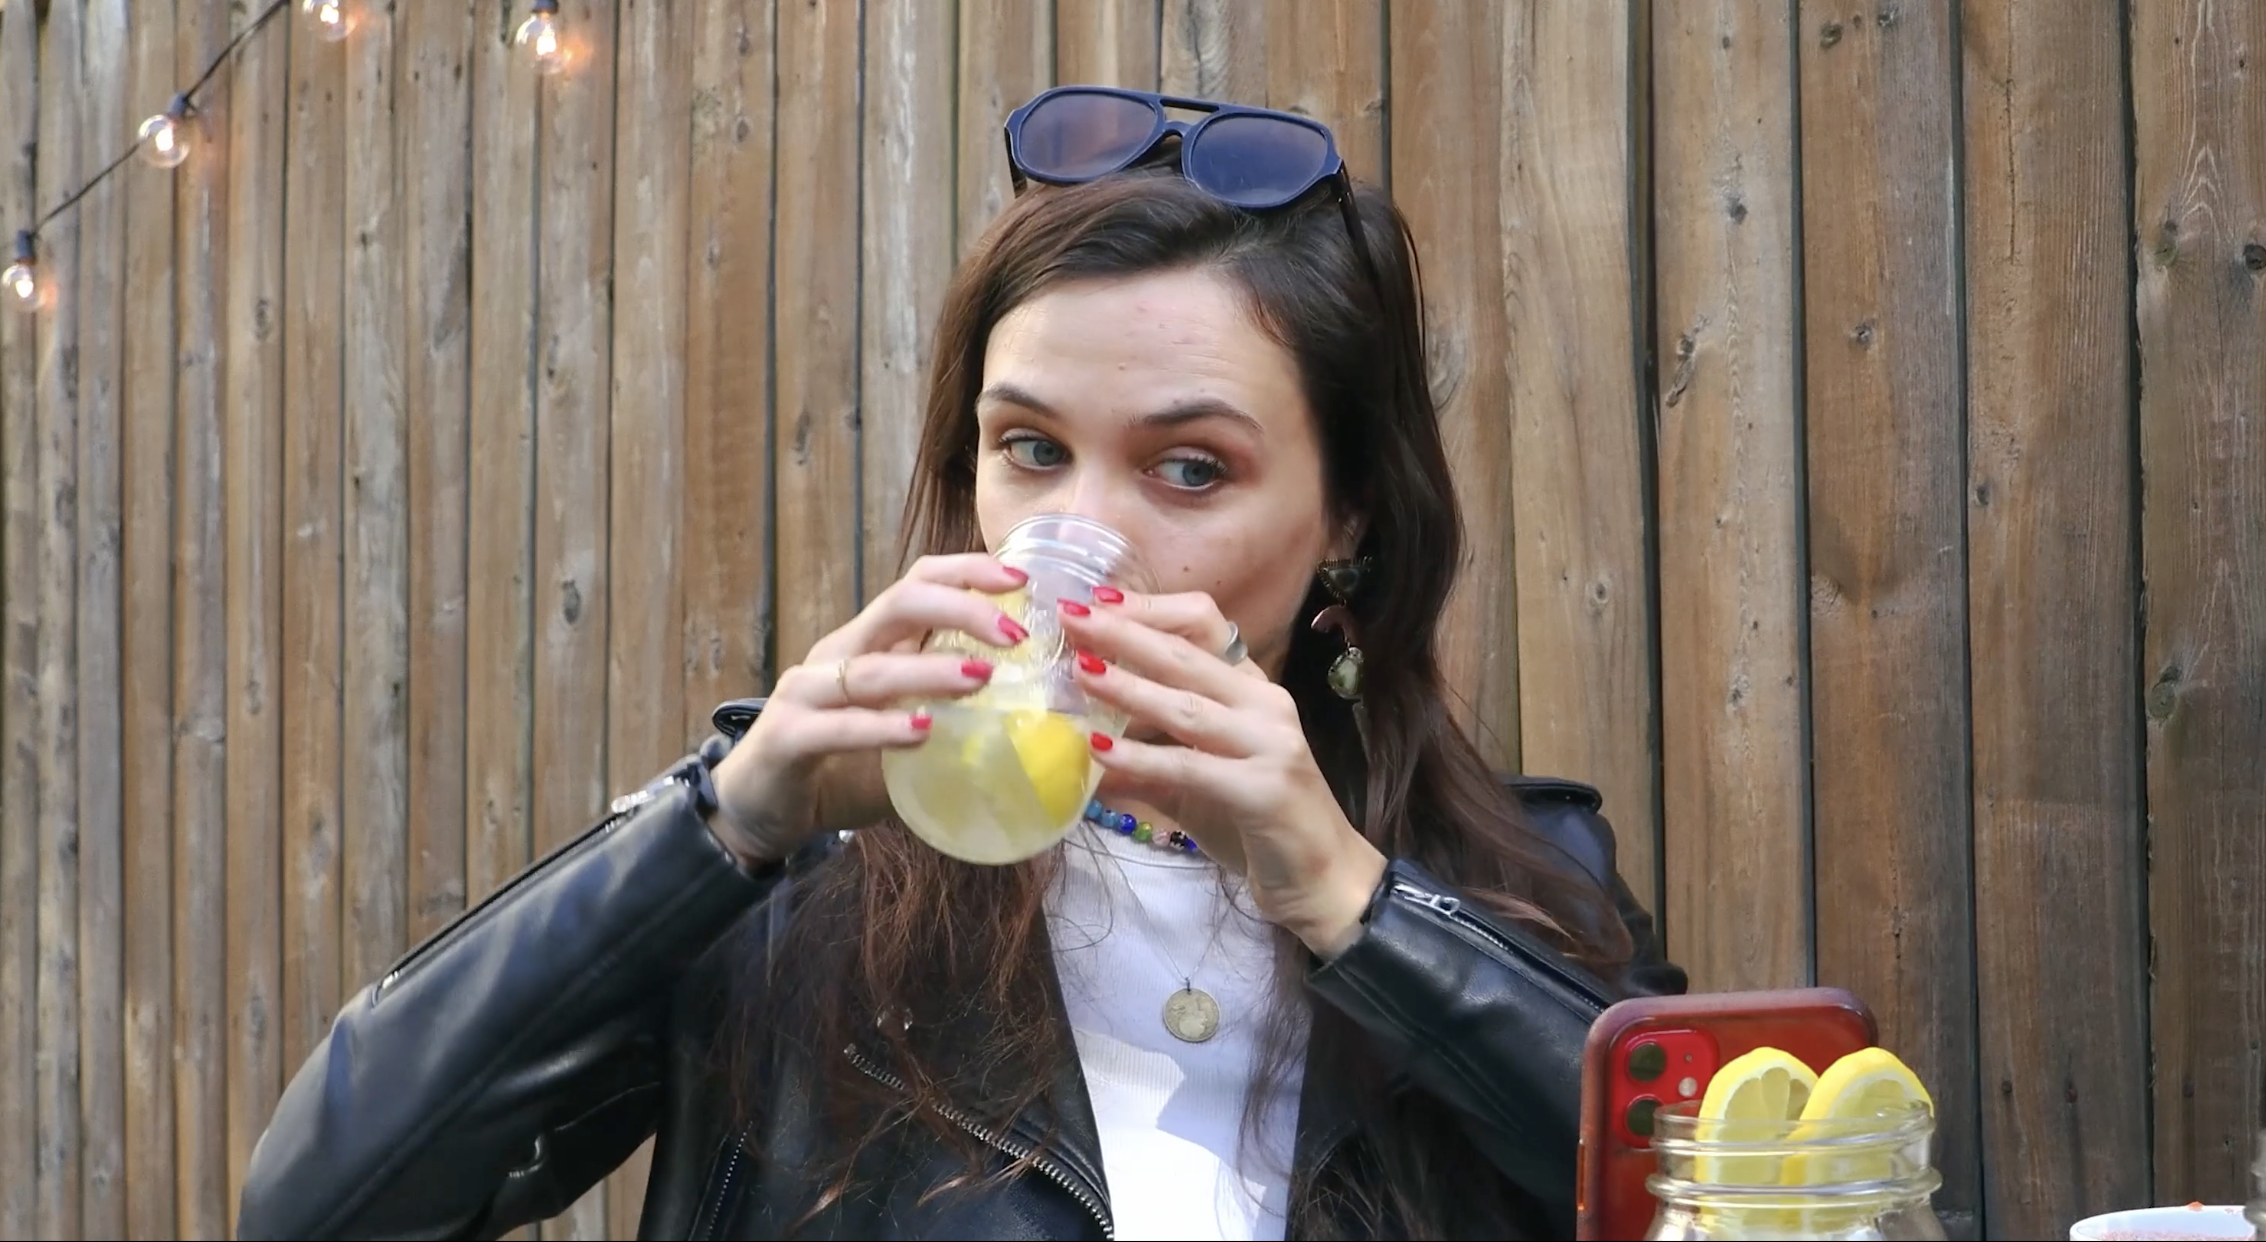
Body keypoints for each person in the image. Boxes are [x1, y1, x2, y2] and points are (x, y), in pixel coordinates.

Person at [237, 86, 1685, 1241]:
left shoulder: (1527, 888)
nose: (1082, 537)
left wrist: (1358, 910)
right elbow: (324, 1205)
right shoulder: (797, 893)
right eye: (1031, 448)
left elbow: (1736, 1196)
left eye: (1190, 467)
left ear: (1347, 518)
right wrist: (721, 825)